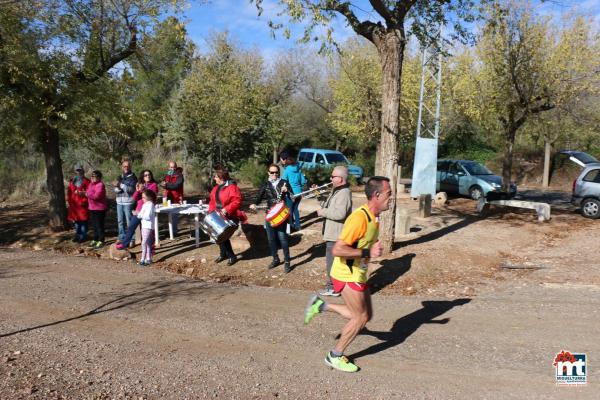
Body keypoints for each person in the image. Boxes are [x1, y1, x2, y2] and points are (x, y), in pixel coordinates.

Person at [304, 176, 392, 373]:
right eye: (389, 193)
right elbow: (337, 250)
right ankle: (334, 355)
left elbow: (360, 243)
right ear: (377, 195)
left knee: (364, 315)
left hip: (357, 272)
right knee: (359, 318)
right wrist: (369, 253)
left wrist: (369, 249)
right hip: (346, 273)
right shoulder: (359, 218)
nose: (391, 197)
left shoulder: (374, 216)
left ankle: (319, 305)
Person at [317, 166, 353, 296]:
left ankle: (333, 288)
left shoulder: (344, 193)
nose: (330, 178)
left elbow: (339, 214)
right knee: (333, 262)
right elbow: (327, 206)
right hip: (332, 233)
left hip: (336, 234)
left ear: (341, 178)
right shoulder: (336, 190)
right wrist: (318, 195)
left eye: (333, 176)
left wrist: (323, 213)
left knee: (332, 263)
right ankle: (336, 287)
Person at [249, 164, 292, 273]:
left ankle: (287, 262)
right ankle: (275, 259)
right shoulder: (265, 184)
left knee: (282, 238)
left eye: (276, 172)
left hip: (281, 214)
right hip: (270, 214)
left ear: (279, 173)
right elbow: (258, 197)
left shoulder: (284, 182)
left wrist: (287, 191)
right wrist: (254, 203)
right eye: (272, 172)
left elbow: (293, 196)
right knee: (271, 239)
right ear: (268, 173)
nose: (274, 174)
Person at [208, 165, 247, 266]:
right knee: (217, 235)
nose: (214, 178)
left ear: (221, 177)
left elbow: (237, 201)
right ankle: (223, 254)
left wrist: (227, 209)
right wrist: (211, 213)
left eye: (216, 176)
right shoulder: (215, 188)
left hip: (230, 216)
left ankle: (231, 256)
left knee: (223, 236)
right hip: (218, 216)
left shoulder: (232, 187)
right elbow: (212, 202)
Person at [116, 169, 159, 250]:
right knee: (131, 227)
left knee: (147, 230)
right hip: (139, 211)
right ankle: (125, 244)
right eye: (145, 175)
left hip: (147, 211)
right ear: (143, 177)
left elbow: (152, 197)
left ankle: (149, 248)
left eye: (149, 174)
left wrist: (143, 190)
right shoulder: (140, 184)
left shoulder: (154, 185)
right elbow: (134, 198)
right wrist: (138, 191)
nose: (148, 176)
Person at [280, 151, 307, 232]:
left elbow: (284, 180)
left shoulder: (287, 170)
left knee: (289, 210)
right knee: (295, 209)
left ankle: (291, 226)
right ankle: (298, 226)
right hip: (299, 193)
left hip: (291, 193)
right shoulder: (298, 169)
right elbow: (303, 181)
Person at [112, 159, 137, 243]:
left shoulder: (133, 177)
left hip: (128, 202)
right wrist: (117, 188)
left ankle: (131, 239)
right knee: (120, 221)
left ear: (130, 167)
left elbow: (131, 190)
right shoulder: (120, 177)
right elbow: (115, 189)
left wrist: (120, 185)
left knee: (129, 221)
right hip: (119, 201)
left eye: (127, 166)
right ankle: (122, 237)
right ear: (122, 167)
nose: (126, 167)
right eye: (124, 166)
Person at [67, 164, 90, 243]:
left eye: (79, 170)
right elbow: (69, 192)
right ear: (75, 171)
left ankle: (83, 236)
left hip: (82, 205)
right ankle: (78, 235)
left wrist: (84, 200)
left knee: (83, 221)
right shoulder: (72, 180)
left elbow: (89, 192)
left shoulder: (86, 181)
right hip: (74, 205)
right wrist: (69, 201)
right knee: (76, 221)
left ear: (82, 170)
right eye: (77, 170)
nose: (78, 171)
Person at [160, 161, 184, 236]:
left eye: (173, 167)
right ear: (168, 167)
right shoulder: (168, 174)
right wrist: (162, 184)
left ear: (176, 167)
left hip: (176, 197)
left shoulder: (179, 175)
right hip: (166, 197)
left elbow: (176, 185)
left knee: (174, 214)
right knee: (166, 212)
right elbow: (162, 182)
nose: (172, 169)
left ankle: (174, 231)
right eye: (171, 167)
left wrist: (166, 185)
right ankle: (169, 230)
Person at [86, 170, 108, 249]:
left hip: (100, 208)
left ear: (99, 177)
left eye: (94, 176)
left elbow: (96, 196)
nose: (92, 177)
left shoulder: (100, 185)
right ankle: (95, 239)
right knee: (94, 225)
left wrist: (86, 194)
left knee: (99, 225)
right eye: (91, 176)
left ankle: (101, 240)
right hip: (92, 208)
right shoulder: (90, 184)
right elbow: (88, 192)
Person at [137, 189, 157, 266]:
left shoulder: (150, 204)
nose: (142, 199)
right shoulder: (145, 205)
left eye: (144, 197)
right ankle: (148, 258)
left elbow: (147, 216)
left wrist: (140, 215)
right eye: (142, 197)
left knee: (144, 243)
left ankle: (143, 258)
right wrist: (138, 214)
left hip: (148, 226)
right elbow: (140, 214)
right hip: (144, 225)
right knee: (148, 243)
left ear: (149, 197)